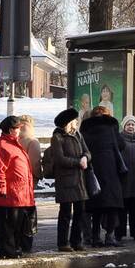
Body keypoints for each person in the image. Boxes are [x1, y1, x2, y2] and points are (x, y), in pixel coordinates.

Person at [80, 106, 126, 246]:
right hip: (111, 171)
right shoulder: (111, 126)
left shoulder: (86, 129)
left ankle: (95, 238)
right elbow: (121, 144)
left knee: (95, 207)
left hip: (93, 172)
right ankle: (110, 236)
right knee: (112, 205)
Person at [0, 115, 36, 259]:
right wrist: (1, 189)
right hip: (10, 192)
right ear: (11, 130)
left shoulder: (15, 144)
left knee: (17, 224)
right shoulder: (2, 145)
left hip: (21, 192)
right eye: (17, 128)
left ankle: (14, 248)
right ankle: (7, 250)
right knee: (8, 225)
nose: (19, 130)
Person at [50, 108, 90, 252]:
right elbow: (60, 159)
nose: (77, 122)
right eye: (75, 120)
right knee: (65, 213)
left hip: (79, 180)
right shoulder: (57, 137)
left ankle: (76, 241)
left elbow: (87, 151)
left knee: (80, 211)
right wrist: (77, 162)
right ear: (68, 122)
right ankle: (62, 243)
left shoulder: (78, 135)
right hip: (65, 180)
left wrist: (85, 157)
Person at [16, 114, 42, 183]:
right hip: (26, 179)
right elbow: (34, 163)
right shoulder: (32, 141)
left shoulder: (11, 140)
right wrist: (38, 175)